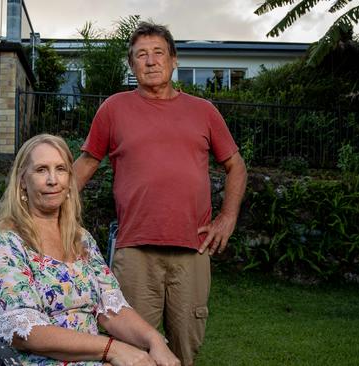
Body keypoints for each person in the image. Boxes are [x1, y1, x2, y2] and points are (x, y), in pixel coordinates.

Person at [73, 22, 248, 365]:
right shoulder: (114, 108)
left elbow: (236, 165)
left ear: (173, 60)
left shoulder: (204, 111)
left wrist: (227, 218)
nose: (151, 61)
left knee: (185, 348)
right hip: (135, 250)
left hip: (193, 248)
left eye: (158, 53)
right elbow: (86, 163)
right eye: (141, 55)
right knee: (131, 348)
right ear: (132, 65)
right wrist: (44, 212)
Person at [0, 134, 180, 366]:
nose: (52, 180)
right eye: (41, 170)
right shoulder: (8, 242)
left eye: (60, 169)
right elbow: (26, 333)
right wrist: (112, 349)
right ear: (22, 182)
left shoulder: (81, 240)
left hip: (86, 358)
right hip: (26, 359)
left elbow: (112, 310)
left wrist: (154, 340)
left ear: (69, 180)